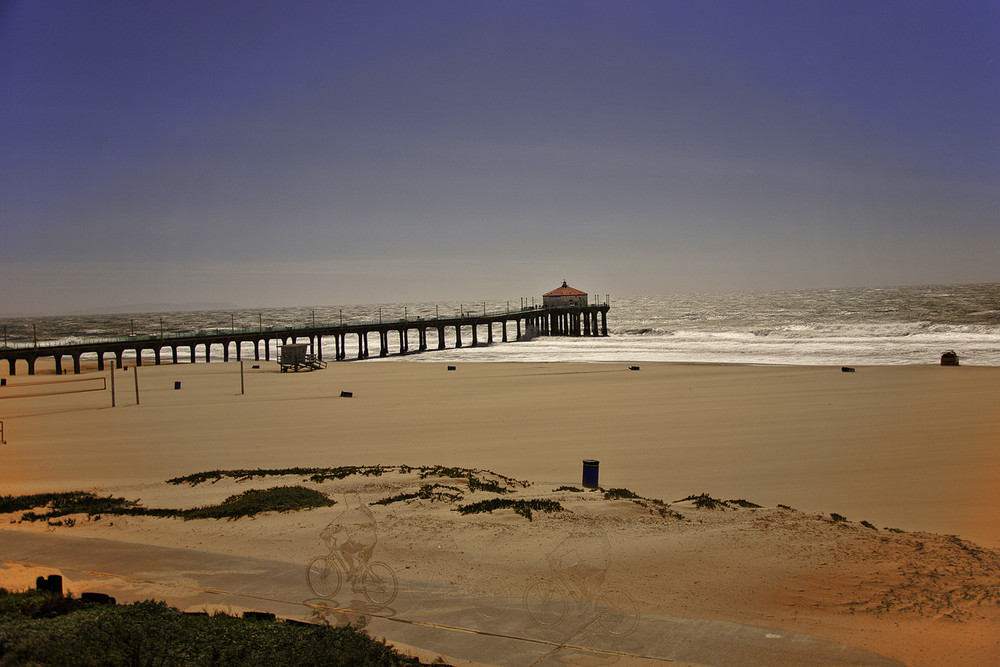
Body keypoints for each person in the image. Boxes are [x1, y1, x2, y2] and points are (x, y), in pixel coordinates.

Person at [320, 493, 377, 582]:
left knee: (343, 548)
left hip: (361, 540)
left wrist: (324, 534)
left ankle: (352, 570)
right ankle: (361, 583)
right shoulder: (364, 509)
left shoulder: (348, 513)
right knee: (363, 562)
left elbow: (335, 526)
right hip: (372, 539)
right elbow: (374, 523)